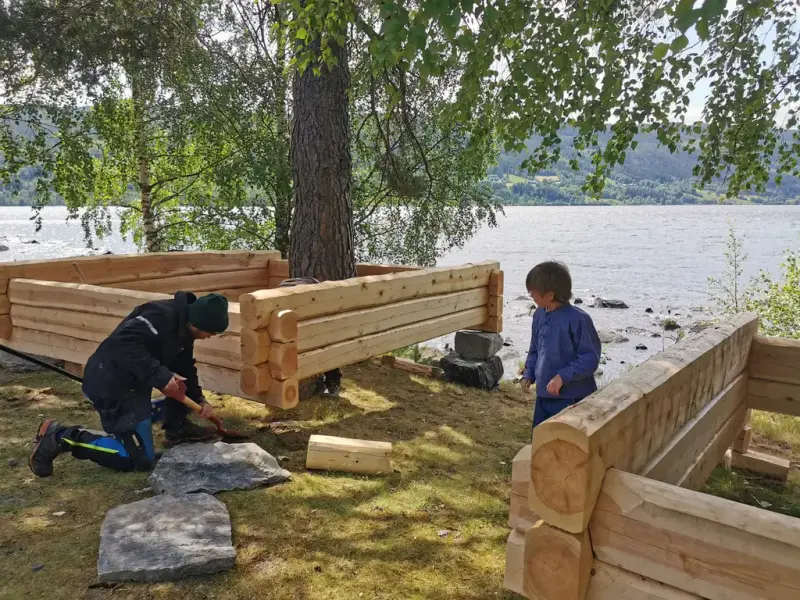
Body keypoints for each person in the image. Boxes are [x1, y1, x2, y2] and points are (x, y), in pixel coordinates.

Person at [28, 291, 230, 477]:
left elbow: (184, 366)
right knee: (138, 460)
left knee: (180, 385)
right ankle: (62, 436)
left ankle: (176, 428)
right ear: (197, 323)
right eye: (210, 333)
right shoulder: (158, 316)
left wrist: (199, 400)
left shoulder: (185, 328)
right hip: (110, 384)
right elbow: (123, 343)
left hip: (135, 384)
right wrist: (161, 377)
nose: (209, 337)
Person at [521, 261, 601, 430]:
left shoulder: (578, 320)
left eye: (533, 292)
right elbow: (535, 348)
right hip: (544, 396)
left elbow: (590, 359)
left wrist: (562, 377)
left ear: (550, 295)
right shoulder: (539, 315)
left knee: (567, 448)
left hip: (572, 398)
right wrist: (528, 373)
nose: (531, 296)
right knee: (541, 441)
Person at [278, 277, 342, 397]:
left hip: (305, 294)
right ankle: (329, 383)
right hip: (294, 295)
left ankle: (331, 383)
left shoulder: (314, 306)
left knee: (322, 338)